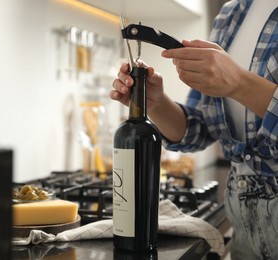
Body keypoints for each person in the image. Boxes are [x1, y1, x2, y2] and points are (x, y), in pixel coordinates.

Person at [110, 0, 278, 259]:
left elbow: (235, 83)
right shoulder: (232, 14)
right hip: (245, 236)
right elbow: (199, 127)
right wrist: (157, 104)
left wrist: (239, 82)